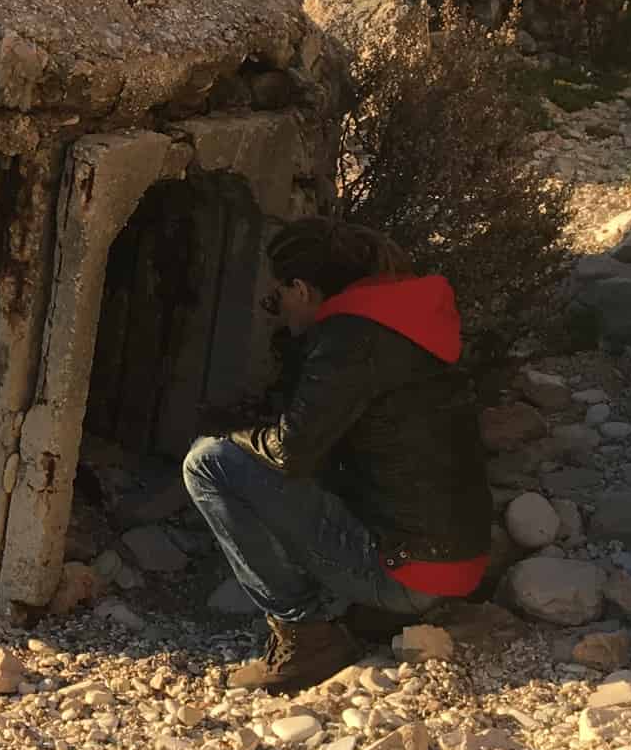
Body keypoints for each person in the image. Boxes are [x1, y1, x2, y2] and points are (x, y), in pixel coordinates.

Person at [181, 216, 490, 695]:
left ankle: (305, 634)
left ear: (301, 289)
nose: (277, 311)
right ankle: (358, 609)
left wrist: (232, 430)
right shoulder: (399, 320)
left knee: (207, 462)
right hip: (455, 555)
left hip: (412, 572)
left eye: (277, 297)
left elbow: (290, 451)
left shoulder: (349, 341)